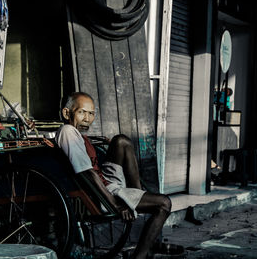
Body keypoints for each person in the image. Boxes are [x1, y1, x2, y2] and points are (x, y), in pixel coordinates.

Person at [55, 92, 171, 259]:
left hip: (106, 180)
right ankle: (139, 256)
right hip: (99, 192)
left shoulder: (77, 134)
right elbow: (87, 173)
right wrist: (114, 205)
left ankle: (135, 196)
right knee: (164, 204)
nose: (87, 118)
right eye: (81, 112)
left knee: (121, 141)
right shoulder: (67, 131)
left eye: (91, 113)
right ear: (67, 113)